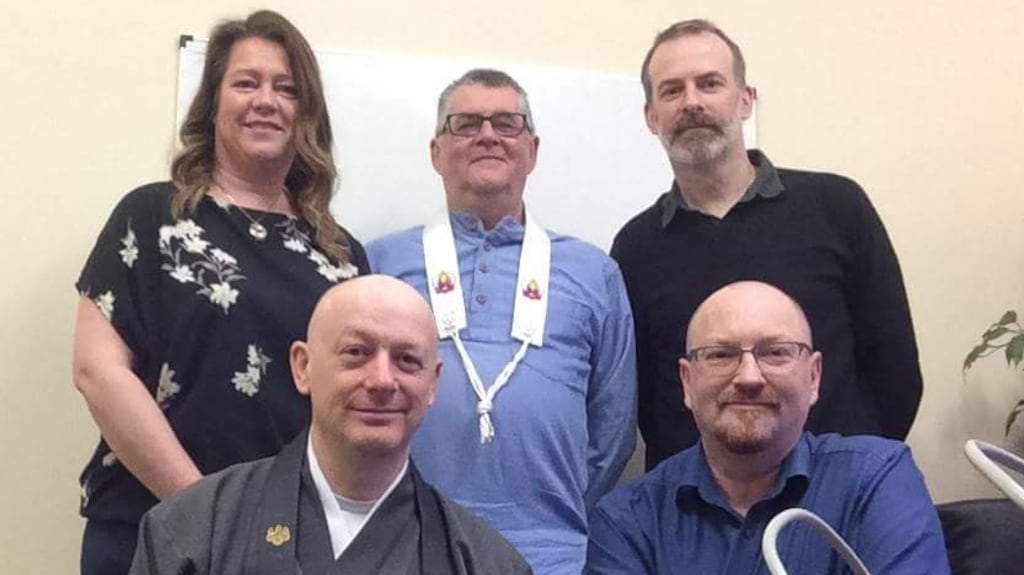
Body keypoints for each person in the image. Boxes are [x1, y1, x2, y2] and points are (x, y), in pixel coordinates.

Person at [72, 10, 369, 573]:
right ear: (212, 104)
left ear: (306, 113)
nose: (266, 100)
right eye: (246, 83)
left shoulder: (342, 255)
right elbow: (97, 371)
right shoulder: (152, 216)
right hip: (150, 526)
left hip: (287, 541)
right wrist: (207, 512)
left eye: (287, 89)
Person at [612, 19, 923, 470]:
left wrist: (856, 472)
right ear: (651, 116)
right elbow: (644, 400)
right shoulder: (635, 248)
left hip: (839, 499)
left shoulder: (836, 206)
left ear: (745, 100)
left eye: (710, 83)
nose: (692, 102)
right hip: (703, 516)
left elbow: (896, 369)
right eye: (672, 90)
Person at [367, 68, 637, 574]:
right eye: (466, 124)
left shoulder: (594, 270)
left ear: (532, 150)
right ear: (436, 152)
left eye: (506, 123)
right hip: (404, 546)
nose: (487, 135)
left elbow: (614, 426)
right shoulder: (380, 261)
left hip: (553, 550)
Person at [129, 276, 532, 574]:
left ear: (433, 384)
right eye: (356, 352)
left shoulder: (486, 563)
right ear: (303, 367)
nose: (381, 381)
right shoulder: (193, 529)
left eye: (407, 360)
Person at [586, 281, 948, 574]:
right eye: (720, 355)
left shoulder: (876, 480)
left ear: (813, 376)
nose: (748, 377)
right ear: (687, 382)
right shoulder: (627, 522)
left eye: (775, 352)